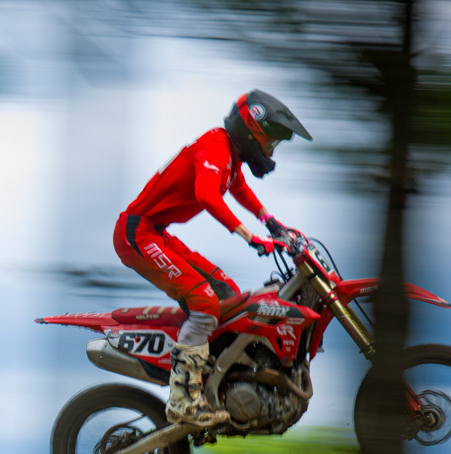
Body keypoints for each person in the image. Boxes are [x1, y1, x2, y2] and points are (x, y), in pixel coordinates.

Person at [113, 90, 312, 425]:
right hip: (137, 234)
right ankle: (183, 400)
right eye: (269, 142)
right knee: (204, 301)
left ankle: (217, 382)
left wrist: (271, 223)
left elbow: (238, 188)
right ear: (250, 132)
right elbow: (206, 194)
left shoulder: (229, 156)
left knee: (226, 292)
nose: (270, 151)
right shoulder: (215, 147)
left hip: (156, 233)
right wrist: (250, 237)